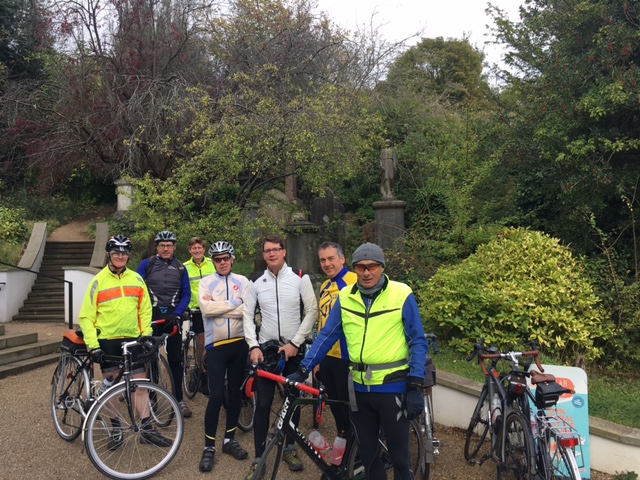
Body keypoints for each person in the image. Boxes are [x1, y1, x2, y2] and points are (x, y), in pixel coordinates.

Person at [288, 242, 428, 480]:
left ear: (381, 267)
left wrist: (415, 384)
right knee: (368, 457)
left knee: (400, 461)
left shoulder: (401, 293)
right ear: (354, 268)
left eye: (372, 266)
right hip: (359, 389)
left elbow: (418, 340)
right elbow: (327, 336)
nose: (366, 272)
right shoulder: (346, 296)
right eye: (361, 267)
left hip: (392, 386)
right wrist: (303, 369)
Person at [78, 235, 171, 448]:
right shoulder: (98, 281)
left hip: (133, 340)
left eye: (124, 253)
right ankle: (116, 429)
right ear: (109, 254)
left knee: (140, 385)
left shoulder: (137, 279)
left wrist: (145, 335)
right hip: (108, 340)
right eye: (116, 252)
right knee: (111, 387)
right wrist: (93, 346)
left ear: (129, 255)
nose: (120, 256)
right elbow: (86, 316)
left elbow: (145, 310)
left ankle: (147, 429)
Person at [243, 234, 319, 479]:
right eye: (267, 251)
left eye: (276, 249)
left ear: (284, 252)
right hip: (266, 351)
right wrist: (253, 346)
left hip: (292, 349)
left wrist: (296, 342)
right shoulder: (256, 280)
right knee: (263, 404)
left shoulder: (299, 277)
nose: (272, 254)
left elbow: (312, 310)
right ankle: (259, 457)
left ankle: (289, 447)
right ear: (263, 254)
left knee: (292, 400)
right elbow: (247, 314)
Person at [197, 241, 251, 472]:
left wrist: (221, 305)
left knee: (235, 394)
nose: (222, 262)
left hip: (239, 344)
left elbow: (248, 309)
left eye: (225, 258)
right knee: (216, 395)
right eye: (217, 259)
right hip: (216, 346)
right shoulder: (205, 282)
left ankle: (229, 440)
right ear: (213, 261)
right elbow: (206, 310)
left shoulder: (244, 281)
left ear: (232, 259)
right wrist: (235, 304)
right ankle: (209, 447)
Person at [137, 230, 192, 418]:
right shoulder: (147, 264)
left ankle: (178, 399)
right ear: (157, 247)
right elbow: (137, 289)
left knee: (175, 358)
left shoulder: (180, 268)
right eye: (162, 245)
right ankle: (151, 396)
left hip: (172, 317)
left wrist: (177, 313)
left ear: (174, 247)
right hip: (151, 316)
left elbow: (186, 294)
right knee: (150, 358)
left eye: (169, 245)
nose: (166, 248)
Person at [315, 241, 357, 436]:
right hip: (327, 358)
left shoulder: (355, 282)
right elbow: (321, 324)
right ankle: (345, 448)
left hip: (347, 358)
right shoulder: (324, 286)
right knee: (335, 408)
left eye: (331, 258)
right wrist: (316, 360)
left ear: (342, 259)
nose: (327, 264)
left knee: (351, 410)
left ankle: (359, 455)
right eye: (323, 260)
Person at [183, 237, 216, 396]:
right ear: (190, 250)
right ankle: (201, 371)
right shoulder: (185, 267)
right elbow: (184, 289)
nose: (197, 251)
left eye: (200, 248)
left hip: (212, 308)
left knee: (214, 341)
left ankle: (210, 369)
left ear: (204, 249)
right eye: (194, 248)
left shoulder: (212, 263)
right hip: (196, 310)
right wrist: (187, 307)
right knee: (202, 343)